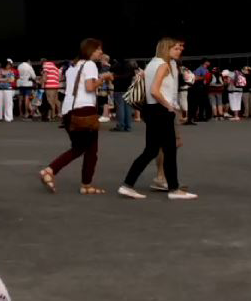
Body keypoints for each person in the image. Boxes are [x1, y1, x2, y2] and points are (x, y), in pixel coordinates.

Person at [119, 38, 196, 200]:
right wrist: (168, 105)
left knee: (151, 150)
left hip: (151, 110)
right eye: (176, 48)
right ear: (166, 49)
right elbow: (155, 90)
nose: (179, 50)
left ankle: (128, 184)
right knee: (169, 151)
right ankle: (174, 189)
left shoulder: (152, 64)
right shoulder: (163, 65)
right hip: (161, 110)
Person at [40, 39, 106, 195]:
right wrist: (104, 78)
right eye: (98, 49)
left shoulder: (72, 67)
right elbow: (89, 87)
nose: (101, 52)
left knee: (81, 148)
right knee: (88, 149)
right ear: (90, 50)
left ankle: (83, 183)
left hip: (69, 110)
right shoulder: (90, 65)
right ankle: (53, 171)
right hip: (84, 110)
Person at [41, 57, 61, 122]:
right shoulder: (54, 67)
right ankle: (59, 114)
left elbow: (45, 76)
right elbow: (59, 77)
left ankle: (52, 116)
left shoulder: (45, 65)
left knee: (50, 100)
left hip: (50, 85)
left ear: (43, 62)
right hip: (56, 85)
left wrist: (43, 84)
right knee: (56, 100)